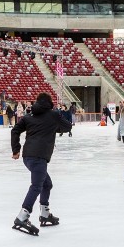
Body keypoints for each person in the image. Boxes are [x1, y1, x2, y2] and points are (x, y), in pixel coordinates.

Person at [10, 92, 73, 235]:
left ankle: (45, 214)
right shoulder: (53, 115)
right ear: (49, 103)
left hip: (28, 157)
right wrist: (55, 125)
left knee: (46, 184)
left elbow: (15, 130)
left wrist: (16, 149)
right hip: (39, 157)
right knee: (37, 186)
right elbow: (68, 126)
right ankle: (22, 216)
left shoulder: (29, 116)